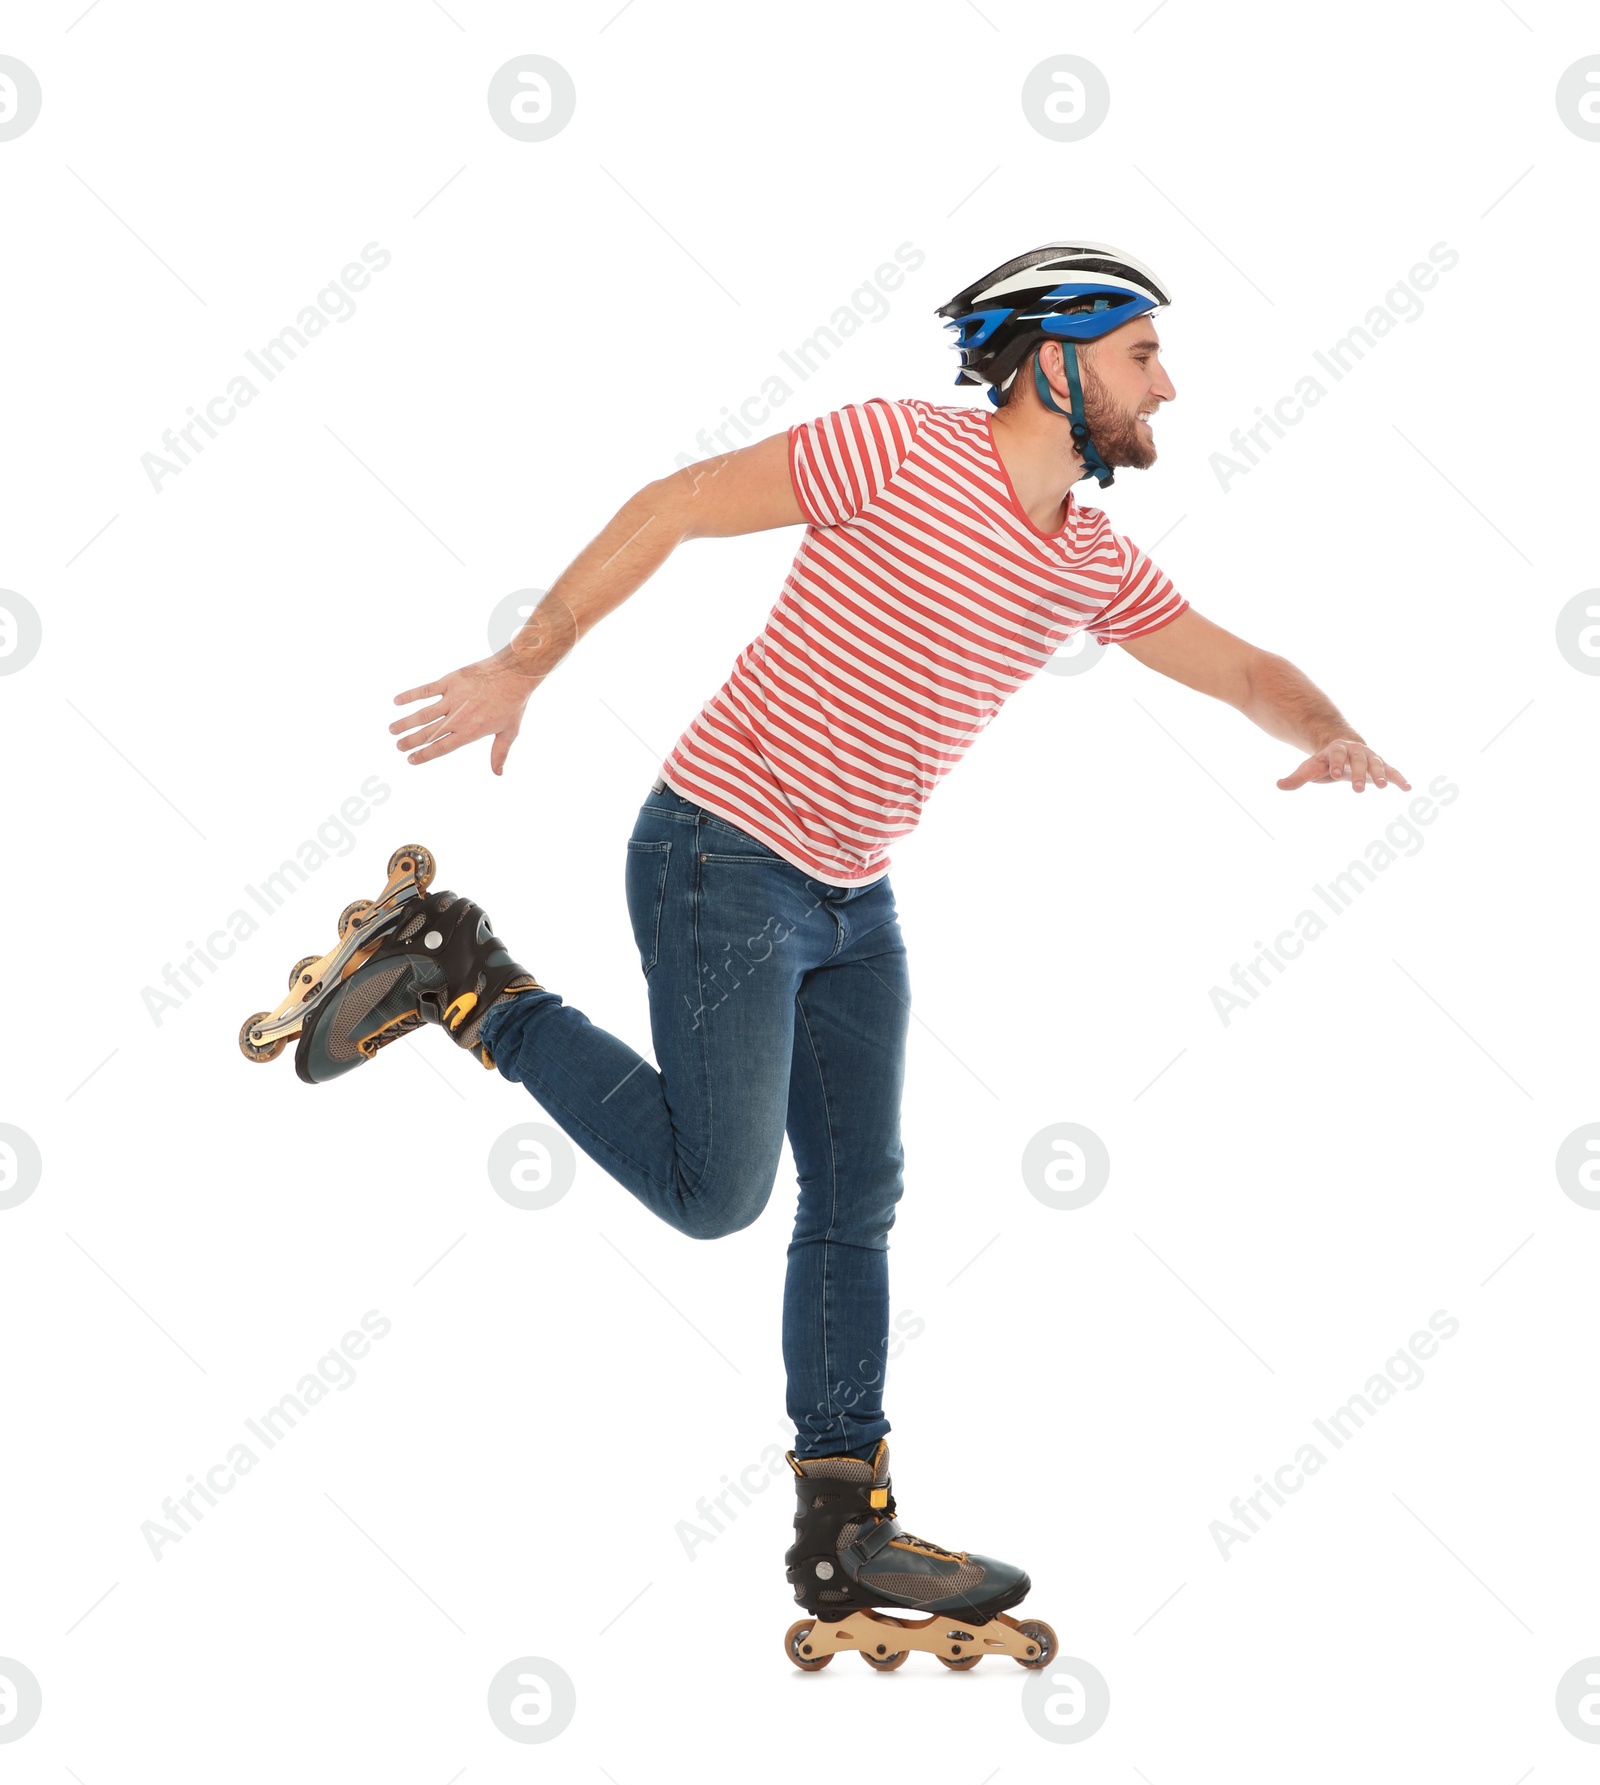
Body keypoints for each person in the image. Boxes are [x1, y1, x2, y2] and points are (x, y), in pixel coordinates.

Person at [242, 243, 1407, 1669]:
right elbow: (675, 504)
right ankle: (464, 973)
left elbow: (1238, 666)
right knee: (716, 1192)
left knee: (857, 1196)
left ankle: (845, 1522)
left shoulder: (1088, 558)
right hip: (718, 854)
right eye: (1141, 352)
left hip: (856, 901)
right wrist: (528, 659)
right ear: (1052, 361)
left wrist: (1329, 728)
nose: (1168, 380)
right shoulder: (893, 446)